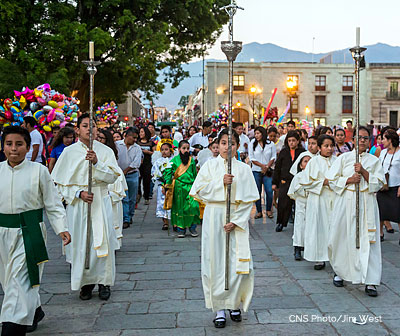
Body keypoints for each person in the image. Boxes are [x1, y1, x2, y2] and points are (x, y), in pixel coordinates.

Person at [0, 126, 70, 336]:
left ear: (29, 148)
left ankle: (12, 328)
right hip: (3, 234)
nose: (14, 149)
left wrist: (62, 228)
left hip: (30, 233)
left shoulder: (38, 171)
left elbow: (53, 203)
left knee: (19, 284)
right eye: (9, 144)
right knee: (9, 280)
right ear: (2, 146)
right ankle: (36, 309)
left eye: (19, 144)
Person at [189, 129, 259, 329]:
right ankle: (219, 307)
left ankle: (234, 303)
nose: (228, 147)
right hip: (215, 217)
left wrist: (236, 221)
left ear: (238, 146)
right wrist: (220, 183)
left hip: (237, 218)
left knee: (237, 263)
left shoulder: (244, 169)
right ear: (217, 145)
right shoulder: (209, 166)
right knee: (216, 261)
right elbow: (199, 191)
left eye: (232, 143)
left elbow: (249, 200)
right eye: (224, 143)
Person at [51, 113, 120, 301]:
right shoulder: (69, 152)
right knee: (82, 244)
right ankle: (85, 284)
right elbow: (60, 184)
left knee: (102, 241)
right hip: (79, 206)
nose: (90, 129)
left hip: (100, 200)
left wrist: (97, 163)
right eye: (85, 125)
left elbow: (114, 177)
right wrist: (78, 193)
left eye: (93, 125)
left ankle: (104, 282)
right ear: (77, 129)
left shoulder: (105, 151)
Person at [327, 126, 385, 297]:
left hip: (366, 204)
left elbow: (379, 183)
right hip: (346, 202)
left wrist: (364, 172)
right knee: (342, 237)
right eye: (359, 137)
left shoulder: (374, 161)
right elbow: (331, 180)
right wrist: (349, 179)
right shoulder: (343, 158)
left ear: (369, 141)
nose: (362, 141)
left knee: (369, 242)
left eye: (365, 138)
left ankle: (371, 281)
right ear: (353, 140)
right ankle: (341, 272)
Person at [300, 134, 336, 270]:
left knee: (333, 227)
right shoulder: (313, 162)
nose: (329, 149)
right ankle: (319, 257)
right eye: (326, 146)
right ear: (319, 147)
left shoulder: (337, 161)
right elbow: (305, 182)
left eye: (331, 146)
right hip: (318, 199)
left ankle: (334, 256)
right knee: (318, 227)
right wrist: (323, 183)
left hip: (334, 198)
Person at [163, 140, 200, 238]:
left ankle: (192, 227)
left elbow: (195, 174)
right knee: (180, 208)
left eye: (188, 148)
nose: (186, 150)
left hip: (190, 187)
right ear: (179, 149)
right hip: (178, 188)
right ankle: (181, 229)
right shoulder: (174, 160)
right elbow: (168, 173)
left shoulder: (191, 160)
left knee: (193, 207)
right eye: (184, 148)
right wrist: (167, 185)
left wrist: (197, 185)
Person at [272, 130, 305, 232]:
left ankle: (298, 223)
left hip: (298, 182)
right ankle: (281, 222)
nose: (291, 143)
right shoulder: (284, 152)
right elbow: (277, 167)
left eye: (293, 140)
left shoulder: (302, 152)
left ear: (298, 141)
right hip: (285, 181)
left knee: (298, 203)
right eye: (289, 141)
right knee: (283, 203)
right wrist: (274, 182)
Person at [115, 128, 142, 229]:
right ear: (126, 135)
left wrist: (125, 171)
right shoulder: (117, 145)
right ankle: (125, 218)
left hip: (132, 174)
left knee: (132, 197)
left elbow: (136, 163)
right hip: (119, 175)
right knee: (124, 197)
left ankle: (130, 215)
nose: (135, 140)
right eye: (133, 137)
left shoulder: (137, 148)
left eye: (136, 138)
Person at [288, 154, 312, 261]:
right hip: (301, 204)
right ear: (301, 165)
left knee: (311, 227)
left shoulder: (315, 176)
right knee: (299, 226)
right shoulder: (298, 176)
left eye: (310, 161)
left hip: (312, 204)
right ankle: (297, 248)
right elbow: (294, 190)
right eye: (305, 161)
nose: (307, 163)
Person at [377, 130, 400, 242]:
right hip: (383, 186)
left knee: (398, 212)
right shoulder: (383, 152)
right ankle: (380, 233)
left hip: (396, 186)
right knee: (381, 211)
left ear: (390, 140)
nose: (382, 141)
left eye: (384, 139)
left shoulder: (399, 152)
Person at [248, 126, 276, 219]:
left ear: (263, 134)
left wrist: (267, 166)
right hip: (256, 170)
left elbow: (273, 156)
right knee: (257, 191)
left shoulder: (270, 144)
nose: (256, 135)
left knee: (269, 190)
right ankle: (259, 211)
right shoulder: (252, 143)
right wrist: (262, 166)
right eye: (255, 133)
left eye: (258, 133)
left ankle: (268, 210)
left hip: (268, 171)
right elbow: (252, 158)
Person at [152, 142, 174, 231]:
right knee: (162, 203)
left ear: (170, 150)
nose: (164, 152)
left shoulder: (174, 161)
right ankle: (165, 222)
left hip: (172, 185)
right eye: (162, 150)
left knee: (173, 203)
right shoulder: (158, 161)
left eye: (166, 149)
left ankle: (175, 222)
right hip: (162, 185)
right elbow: (154, 172)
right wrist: (159, 178)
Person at [137, 127, 156, 205]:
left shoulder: (151, 143)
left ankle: (147, 196)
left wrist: (147, 152)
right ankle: (138, 195)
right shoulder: (137, 143)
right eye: (140, 132)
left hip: (148, 164)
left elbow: (155, 153)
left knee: (147, 181)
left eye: (142, 132)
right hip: (138, 164)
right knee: (137, 180)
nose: (140, 134)